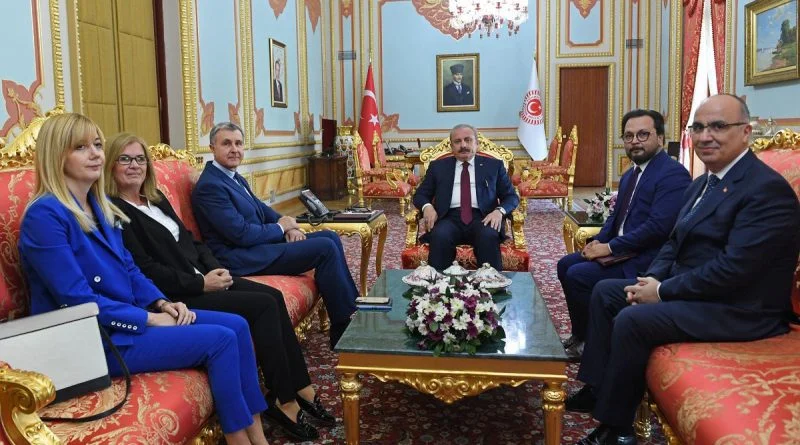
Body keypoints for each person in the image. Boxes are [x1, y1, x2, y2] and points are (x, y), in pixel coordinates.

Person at [18, 113, 271, 445]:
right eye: (80, 147)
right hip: (93, 340)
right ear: (57, 155)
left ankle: (258, 437)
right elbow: (76, 299)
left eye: (97, 145)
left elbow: (130, 269)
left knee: (237, 325)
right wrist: (147, 319)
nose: (95, 154)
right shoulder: (45, 215)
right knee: (220, 340)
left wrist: (162, 302)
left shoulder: (100, 206)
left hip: (125, 321)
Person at [566, 94, 800, 445]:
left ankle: (617, 430)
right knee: (606, 291)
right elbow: (673, 242)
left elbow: (734, 270)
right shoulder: (703, 182)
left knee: (633, 319)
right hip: (698, 291)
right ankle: (598, 388)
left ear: (746, 132)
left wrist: (661, 292)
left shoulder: (766, 190)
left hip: (741, 308)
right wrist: (653, 278)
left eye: (718, 126)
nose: (706, 136)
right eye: (699, 128)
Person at [104, 133, 334, 441]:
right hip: (180, 293)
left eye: (140, 159)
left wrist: (214, 269)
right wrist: (201, 282)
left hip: (205, 276)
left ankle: (301, 386)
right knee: (262, 306)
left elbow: (191, 240)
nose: (134, 166)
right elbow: (146, 269)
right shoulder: (115, 212)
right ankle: (284, 400)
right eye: (125, 159)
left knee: (273, 296)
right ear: (112, 165)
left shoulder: (154, 198)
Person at [191, 122, 358, 348]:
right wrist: (280, 228)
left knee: (330, 237)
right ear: (212, 148)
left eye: (238, 144)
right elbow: (240, 234)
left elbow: (262, 210)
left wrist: (290, 226)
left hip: (255, 246)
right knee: (325, 248)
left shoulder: (232, 176)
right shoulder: (210, 186)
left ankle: (351, 311)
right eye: (226, 144)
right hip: (238, 257)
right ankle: (344, 327)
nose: (234, 149)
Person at [556, 109, 691, 360]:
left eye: (643, 134)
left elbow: (658, 228)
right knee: (565, 264)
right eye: (629, 136)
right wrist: (599, 240)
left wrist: (609, 248)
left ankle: (593, 341)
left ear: (660, 138)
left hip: (644, 258)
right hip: (622, 250)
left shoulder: (673, 174)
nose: (635, 141)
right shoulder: (631, 173)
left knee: (578, 275)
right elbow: (616, 218)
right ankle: (582, 335)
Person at [412, 124, 519, 271]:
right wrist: (427, 207)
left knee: (488, 236)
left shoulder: (494, 166)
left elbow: (511, 196)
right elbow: (420, 194)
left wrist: (499, 211)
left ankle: (491, 282)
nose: (463, 145)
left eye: (468, 140)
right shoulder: (438, 167)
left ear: (476, 143)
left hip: (484, 217)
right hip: (448, 218)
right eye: (457, 141)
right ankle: (438, 282)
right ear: (451, 146)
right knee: (440, 235)